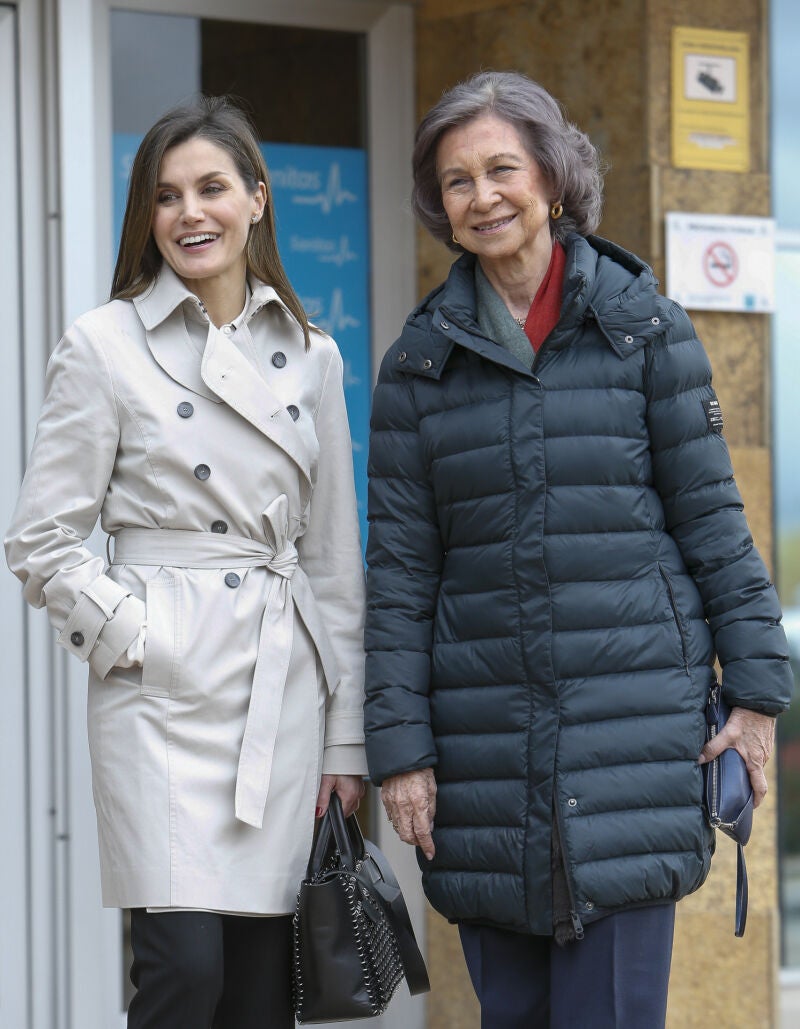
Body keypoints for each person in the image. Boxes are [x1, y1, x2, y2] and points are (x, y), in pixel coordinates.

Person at [364, 70, 793, 1028]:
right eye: (458, 181)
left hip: (633, 743)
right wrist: (401, 751)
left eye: (503, 168)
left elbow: (715, 524)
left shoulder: (644, 331)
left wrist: (759, 694)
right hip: (480, 761)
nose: (483, 197)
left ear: (553, 179)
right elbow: (399, 575)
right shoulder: (418, 366)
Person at [5, 96, 367, 1029]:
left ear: (258, 198)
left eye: (212, 188)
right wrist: (139, 636)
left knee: (257, 991)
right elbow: (39, 536)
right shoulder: (104, 343)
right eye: (166, 196)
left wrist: (344, 742)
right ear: (147, 216)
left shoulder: (313, 355)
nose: (190, 213)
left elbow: (332, 562)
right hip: (160, 698)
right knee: (183, 974)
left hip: (279, 694)